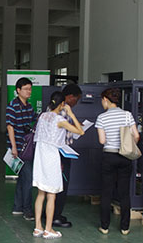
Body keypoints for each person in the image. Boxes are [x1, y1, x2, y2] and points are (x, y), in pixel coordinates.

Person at [33, 91, 84, 239]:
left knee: (41, 193)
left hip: (40, 158)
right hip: (51, 158)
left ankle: (38, 227)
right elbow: (80, 131)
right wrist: (71, 113)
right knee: (52, 195)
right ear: (62, 104)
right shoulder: (60, 119)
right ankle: (49, 229)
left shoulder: (43, 116)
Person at [95, 88, 140, 235]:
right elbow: (136, 136)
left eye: (102, 100)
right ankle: (125, 227)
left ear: (106, 100)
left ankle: (105, 226)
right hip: (125, 156)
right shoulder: (127, 115)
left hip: (109, 156)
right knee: (124, 193)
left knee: (106, 192)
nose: (102, 103)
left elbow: (102, 141)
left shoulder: (102, 117)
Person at [6, 77, 37, 221]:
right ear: (18, 90)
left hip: (27, 147)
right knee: (28, 178)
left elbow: (34, 119)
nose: (29, 91)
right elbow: (10, 127)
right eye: (26, 89)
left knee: (23, 178)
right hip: (18, 148)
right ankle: (27, 210)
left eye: (30, 89)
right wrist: (13, 147)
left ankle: (17, 207)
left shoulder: (29, 107)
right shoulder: (12, 106)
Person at [52, 83, 82, 228]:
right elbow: (79, 131)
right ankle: (56, 217)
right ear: (70, 97)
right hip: (61, 153)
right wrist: (73, 118)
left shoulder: (55, 109)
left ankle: (53, 213)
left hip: (56, 152)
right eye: (76, 100)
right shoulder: (64, 111)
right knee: (61, 185)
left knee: (55, 186)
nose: (76, 103)